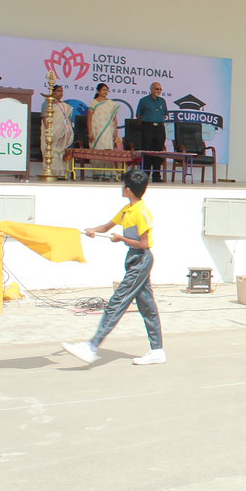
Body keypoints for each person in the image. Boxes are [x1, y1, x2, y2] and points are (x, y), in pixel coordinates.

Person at [62, 168, 165, 365]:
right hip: (134, 258)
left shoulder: (142, 212)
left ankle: (92, 346)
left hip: (141, 259)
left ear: (128, 190)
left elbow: (144, 244)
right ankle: (157, 350)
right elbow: (107, 227)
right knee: (147, 306)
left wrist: (121, 239)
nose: (121, 187)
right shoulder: (127, 210)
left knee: (117, 301)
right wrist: (92, 230)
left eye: (123, 185)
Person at [88, 83, 122, 179]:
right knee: (98, 150)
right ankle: (97, 173)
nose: (105, 92)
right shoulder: (94, 102)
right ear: (98, 91)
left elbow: (114, 118)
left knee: (107, 150)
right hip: (96, 130)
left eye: (106, 90)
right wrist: (90, 131)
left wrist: (115, 129)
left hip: (108, 130)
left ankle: (107, 174)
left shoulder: (111, 103)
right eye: (103, 90)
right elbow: (89, 117)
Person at [136, 82, 168, 183]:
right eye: (157, 89)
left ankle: (156, 176)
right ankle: (145, 175)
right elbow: (138, 115)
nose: (159, 91)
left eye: (160, 89)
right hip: (147, 127)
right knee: (147, 151)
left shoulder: (162, 101)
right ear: (152, 89)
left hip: (159, 128)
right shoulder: (144, 100)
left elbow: (165, 114)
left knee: (158, 152)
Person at [40, 84, 74, 178]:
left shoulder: (65, 106)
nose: (61, 93)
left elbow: (68, 119)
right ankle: (50, 171)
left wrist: (69, 130)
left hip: (62, 131)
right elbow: (44, 117)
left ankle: (60, 173)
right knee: (50, 150)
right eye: (58, 91)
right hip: (51, 130)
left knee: (59, 152)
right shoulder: (47, 103)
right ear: (53, 92)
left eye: (62, 91)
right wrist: (48, 130)